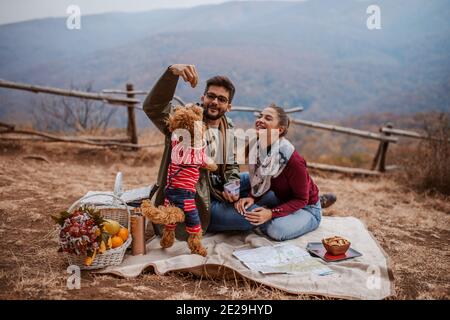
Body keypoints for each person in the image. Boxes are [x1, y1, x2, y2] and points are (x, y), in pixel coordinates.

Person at [143, 64, 244, 239]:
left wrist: (232, 184)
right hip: (197, 200)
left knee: (260, 185)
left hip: (218, 188)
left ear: (229, 106)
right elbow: (153, 107)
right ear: (203, 97)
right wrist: (171, 73)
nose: (215, 102)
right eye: (211, 96)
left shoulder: (228, 126)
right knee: (249, 218)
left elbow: (231, 163)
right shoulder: (184, 120)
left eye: (222, 99)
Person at [213, 104, 336, 241]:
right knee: (233, 184)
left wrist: (270, 213)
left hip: (306, 207)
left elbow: (302, 199)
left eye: (268, 118)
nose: (260, 120)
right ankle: (268, 210)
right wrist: (252, 196)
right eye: (260, 116)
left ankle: (316, 205)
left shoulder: (293, 160)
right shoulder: (257, 145)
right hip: (278, 195)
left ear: (280, 129)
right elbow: (260, 179)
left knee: (276, 230)